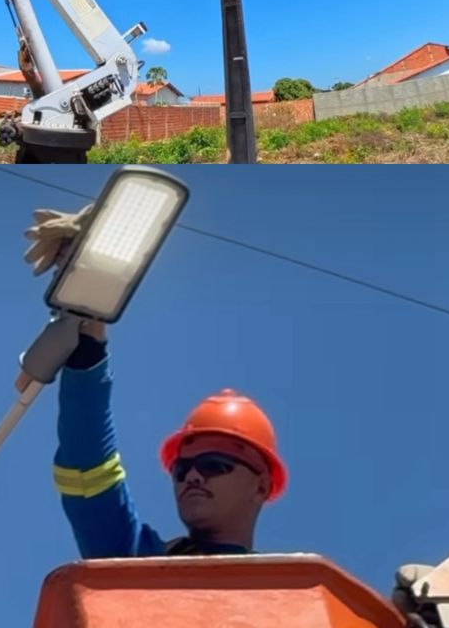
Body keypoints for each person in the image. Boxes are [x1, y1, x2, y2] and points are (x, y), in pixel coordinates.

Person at [25, 206, 287, 559]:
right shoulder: (137, 564)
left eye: (214, 466)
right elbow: (88, 474)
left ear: (261, 485)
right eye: (182, 470)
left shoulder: (289, 592)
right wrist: (89, 313)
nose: (193, 477)